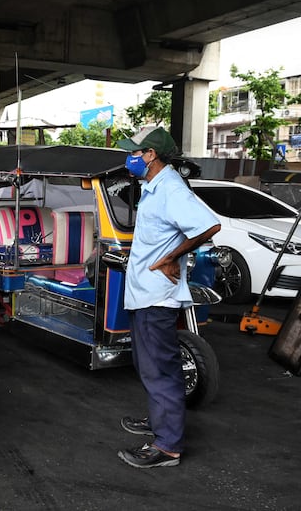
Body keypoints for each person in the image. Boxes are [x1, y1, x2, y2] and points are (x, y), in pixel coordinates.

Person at [116, 126, 221, 468]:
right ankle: (160, 419)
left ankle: (167, 447)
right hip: (144, 292)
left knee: (159, 369)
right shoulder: (153, 186)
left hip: (156, 295)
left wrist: (172, 258)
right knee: (150, 365)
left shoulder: (171, 189)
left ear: (150, 155)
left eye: (135, 152)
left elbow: (208, 226)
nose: (129, 157)